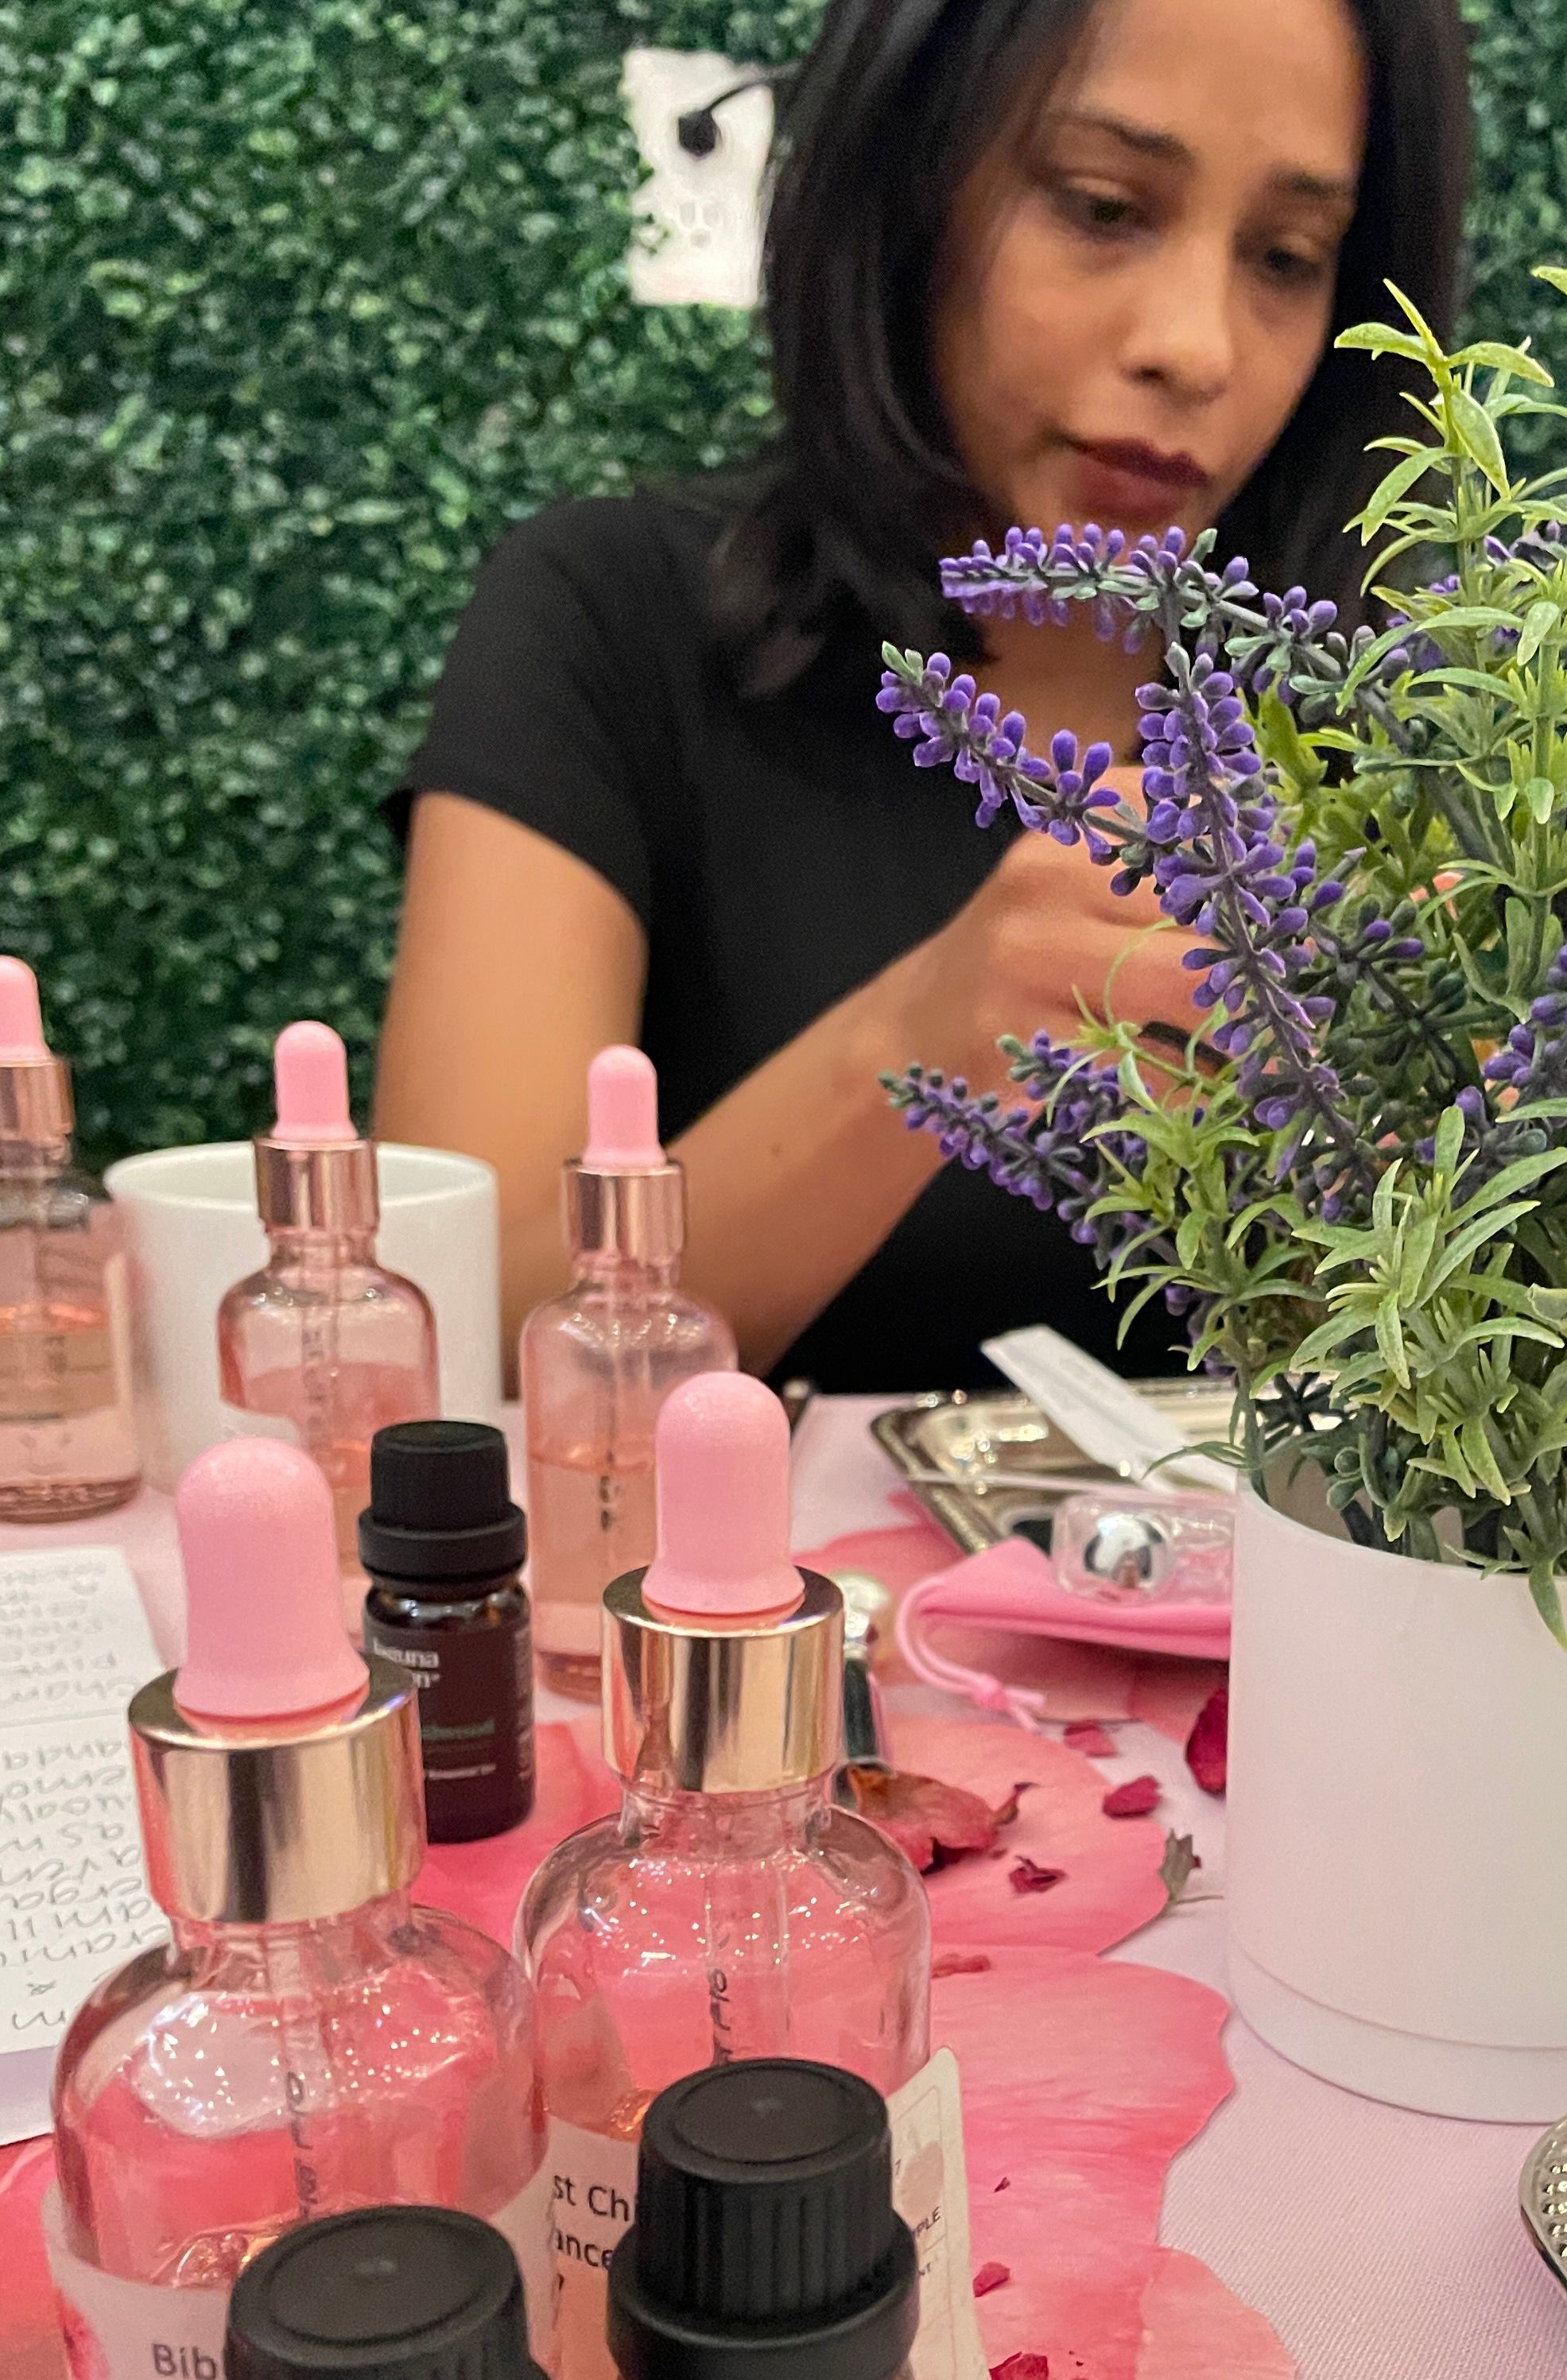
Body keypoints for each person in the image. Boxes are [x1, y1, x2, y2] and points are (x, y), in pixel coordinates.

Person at [376, 0, 1471, 1388]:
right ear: (903, 180)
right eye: (1102, 206)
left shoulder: (1404, 720)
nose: (1197, 347)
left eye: (1287, 258)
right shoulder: (608, 623)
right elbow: (450, 1343)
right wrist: (918, 1045)